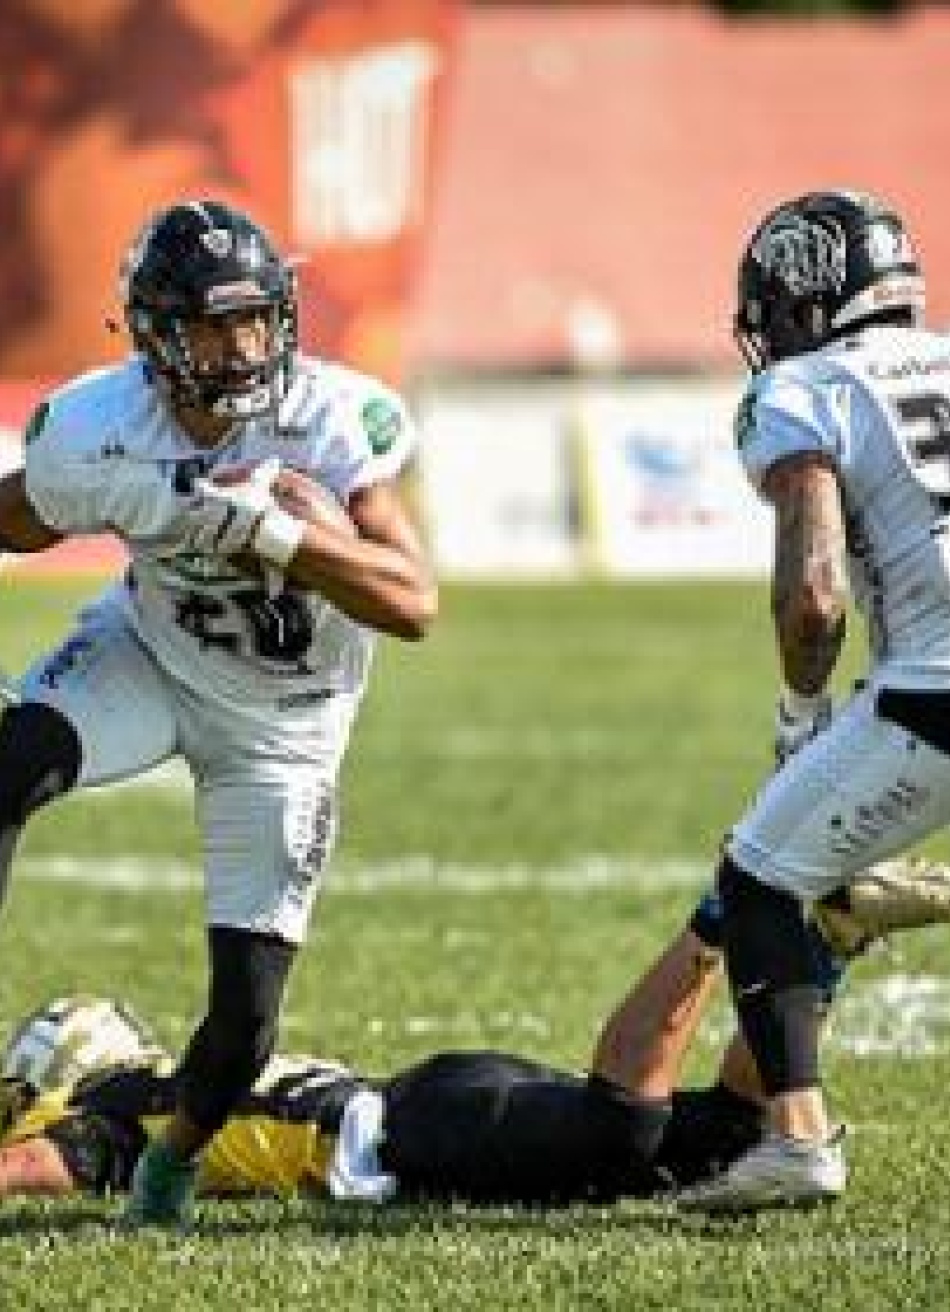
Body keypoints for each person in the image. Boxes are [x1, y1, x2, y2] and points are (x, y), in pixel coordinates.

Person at [0, 198, 438, 1227]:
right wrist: (127, 503)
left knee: (243, 1017)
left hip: (284, 729)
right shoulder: (98, 426)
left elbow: (412, 603)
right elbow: (16, 518)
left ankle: (167, 1172)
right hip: (147, 657)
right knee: (7, 760)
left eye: (255, 320)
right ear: (152, 334)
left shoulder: (334, 418)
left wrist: (284, 542)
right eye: (210, 324)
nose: (241, 349)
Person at [1, 858, 948, 1211]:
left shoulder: (104, 1107)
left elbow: (36, 1172)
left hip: (407, 1129)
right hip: (429, 1102)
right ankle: (824, 942)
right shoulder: (156, 1084)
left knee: (617, 1125)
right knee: (728, 1136)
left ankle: (719, 918)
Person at [665, 188, 950, 1211]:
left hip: (933, 685)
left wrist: (800, 713)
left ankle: (795, 1138)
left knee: (754, 877)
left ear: (803, 297)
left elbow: (814, 594)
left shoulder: (803, 387)